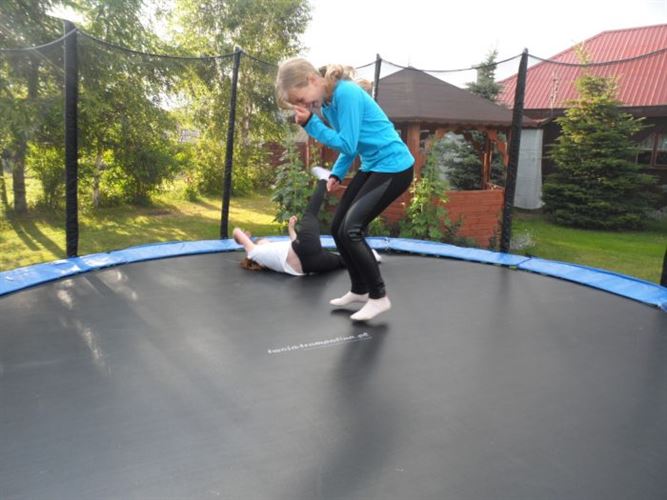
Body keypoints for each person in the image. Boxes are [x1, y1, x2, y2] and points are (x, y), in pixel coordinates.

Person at [275, 58, 414, 321]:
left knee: (352, 230)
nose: (304, 106)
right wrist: (337, 173)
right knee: (338, 226)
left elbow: (347, 144)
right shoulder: (328, 104)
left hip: (395, 167)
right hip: (374, 165)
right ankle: (360, 289)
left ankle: (379, 296)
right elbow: (351, 144)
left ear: (312, 80)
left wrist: (311, 124)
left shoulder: (346, 94)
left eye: (301, 99)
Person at [233, 167, 351, 276]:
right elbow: (236, 231)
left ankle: (363, 257)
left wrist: (291, 229)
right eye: (265, 241)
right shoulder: (254, 252)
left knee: (342, 261)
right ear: (259, 244)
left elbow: (295, 243)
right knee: (310, 214)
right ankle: (324, 179)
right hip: (303, 249)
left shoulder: (268, 262)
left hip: (308, 266)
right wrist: (245, 238)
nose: (269, 241)